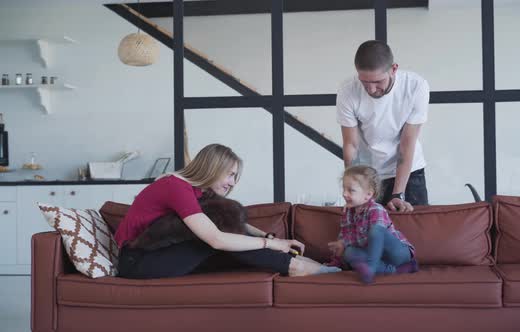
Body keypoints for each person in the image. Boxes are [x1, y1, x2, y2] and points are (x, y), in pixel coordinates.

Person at [115, 143, 340, 279]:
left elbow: (232, 227)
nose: (233, 183)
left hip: (156, 255)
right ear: (213, 169)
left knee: (232, 243)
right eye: (230, 174)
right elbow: (216, 238)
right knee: (216, 241)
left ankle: (305, 265)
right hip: (137, 262)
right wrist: (272, 244)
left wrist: (267, 236)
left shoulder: (195, 191)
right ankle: (297, 267)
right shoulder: (175, 186)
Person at [336, 40, 430, 212]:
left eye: (378, 81)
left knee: (414, 232)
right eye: (365, 82)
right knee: (367, 232)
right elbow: (351, 144)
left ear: (393, 69)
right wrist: (355, 187)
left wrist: (397, 195)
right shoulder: (347, 91)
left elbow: (407, 143)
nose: (371, 89)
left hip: (409, 173)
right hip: (369, 175)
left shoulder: (416, 87)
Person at [328, 165, 418, 284]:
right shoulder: (348, 213)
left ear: (368, 195)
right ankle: (394, 270)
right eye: (344, 189)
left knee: (376, 231)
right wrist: (341, 246)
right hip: (377, 257)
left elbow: (375, 236)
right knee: (348, 252)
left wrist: (349, 244)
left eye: (351, 190)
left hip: (397, 254)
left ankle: (370, 268)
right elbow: (347, 238)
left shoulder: (376, 209)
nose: (344, 194)